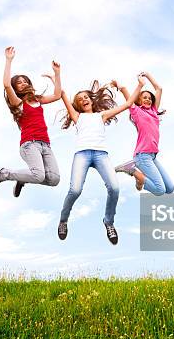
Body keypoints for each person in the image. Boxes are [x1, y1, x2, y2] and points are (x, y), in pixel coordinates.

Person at [58, 76, 145, 245]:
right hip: (82, 154)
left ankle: (109, 221)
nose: (83, 99)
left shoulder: (101, 115)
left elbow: (127, 105)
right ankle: (63, 220)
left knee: (114, 188)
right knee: (75, 190)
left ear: (91, 100)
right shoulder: (77, 116)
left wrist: (139, 85)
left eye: (86, 97)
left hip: (100, 155)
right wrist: (57, 73)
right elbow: (61, 93)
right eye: (79, 99)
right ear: (77, 104)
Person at [0, 46, 61, 197]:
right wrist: (8, 60)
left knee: (54, 179)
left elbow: (57, 95)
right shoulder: (18, 103)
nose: (23, 83)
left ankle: (23, 178)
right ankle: (4, 174)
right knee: (38, 175)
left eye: (25, 81)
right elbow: (7, 84)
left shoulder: (38, 100)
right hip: (29, 144)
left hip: (45, 144)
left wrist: (57, 74)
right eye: (19, 83)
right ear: (16, 88)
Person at [114, 72, 174, 196]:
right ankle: (132, 170)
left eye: (149, 98)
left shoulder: (153, 111)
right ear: (139, 100)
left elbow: (159, 88)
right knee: (160, 190)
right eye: (144, 97)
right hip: (142, 156)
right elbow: (127, 96)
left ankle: (140, 178)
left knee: (170, 188)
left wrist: (147, 74)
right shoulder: (136, 111)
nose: (148, 99)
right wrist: (138, 85)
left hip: (152, 156)